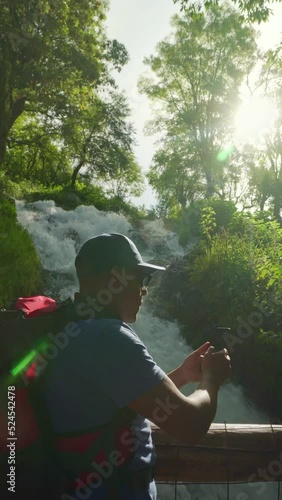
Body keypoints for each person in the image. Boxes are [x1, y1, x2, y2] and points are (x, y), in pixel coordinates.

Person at [43, 232, 231, 500]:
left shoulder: (69, 327)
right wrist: (212, 379)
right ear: (115, 278)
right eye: (141, 279)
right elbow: (190, 424)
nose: (144, 289)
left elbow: (118, 401)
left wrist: (182, 375)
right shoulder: (110, 338)